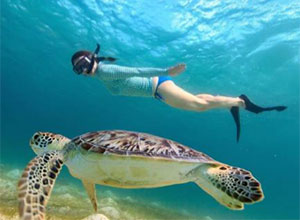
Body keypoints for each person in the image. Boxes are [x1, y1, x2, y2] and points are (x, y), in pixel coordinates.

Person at [71, 44, 287, 141]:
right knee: (198, 101)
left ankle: (240, 102)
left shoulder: (105, 70)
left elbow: (135, 70)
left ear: (90, 59)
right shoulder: (102, 74)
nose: (81, 71)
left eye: (81, 65)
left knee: (198, 107)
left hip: (157, 86)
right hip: (157, 90)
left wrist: (167, 71)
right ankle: (234, 101)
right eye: (76, 70)